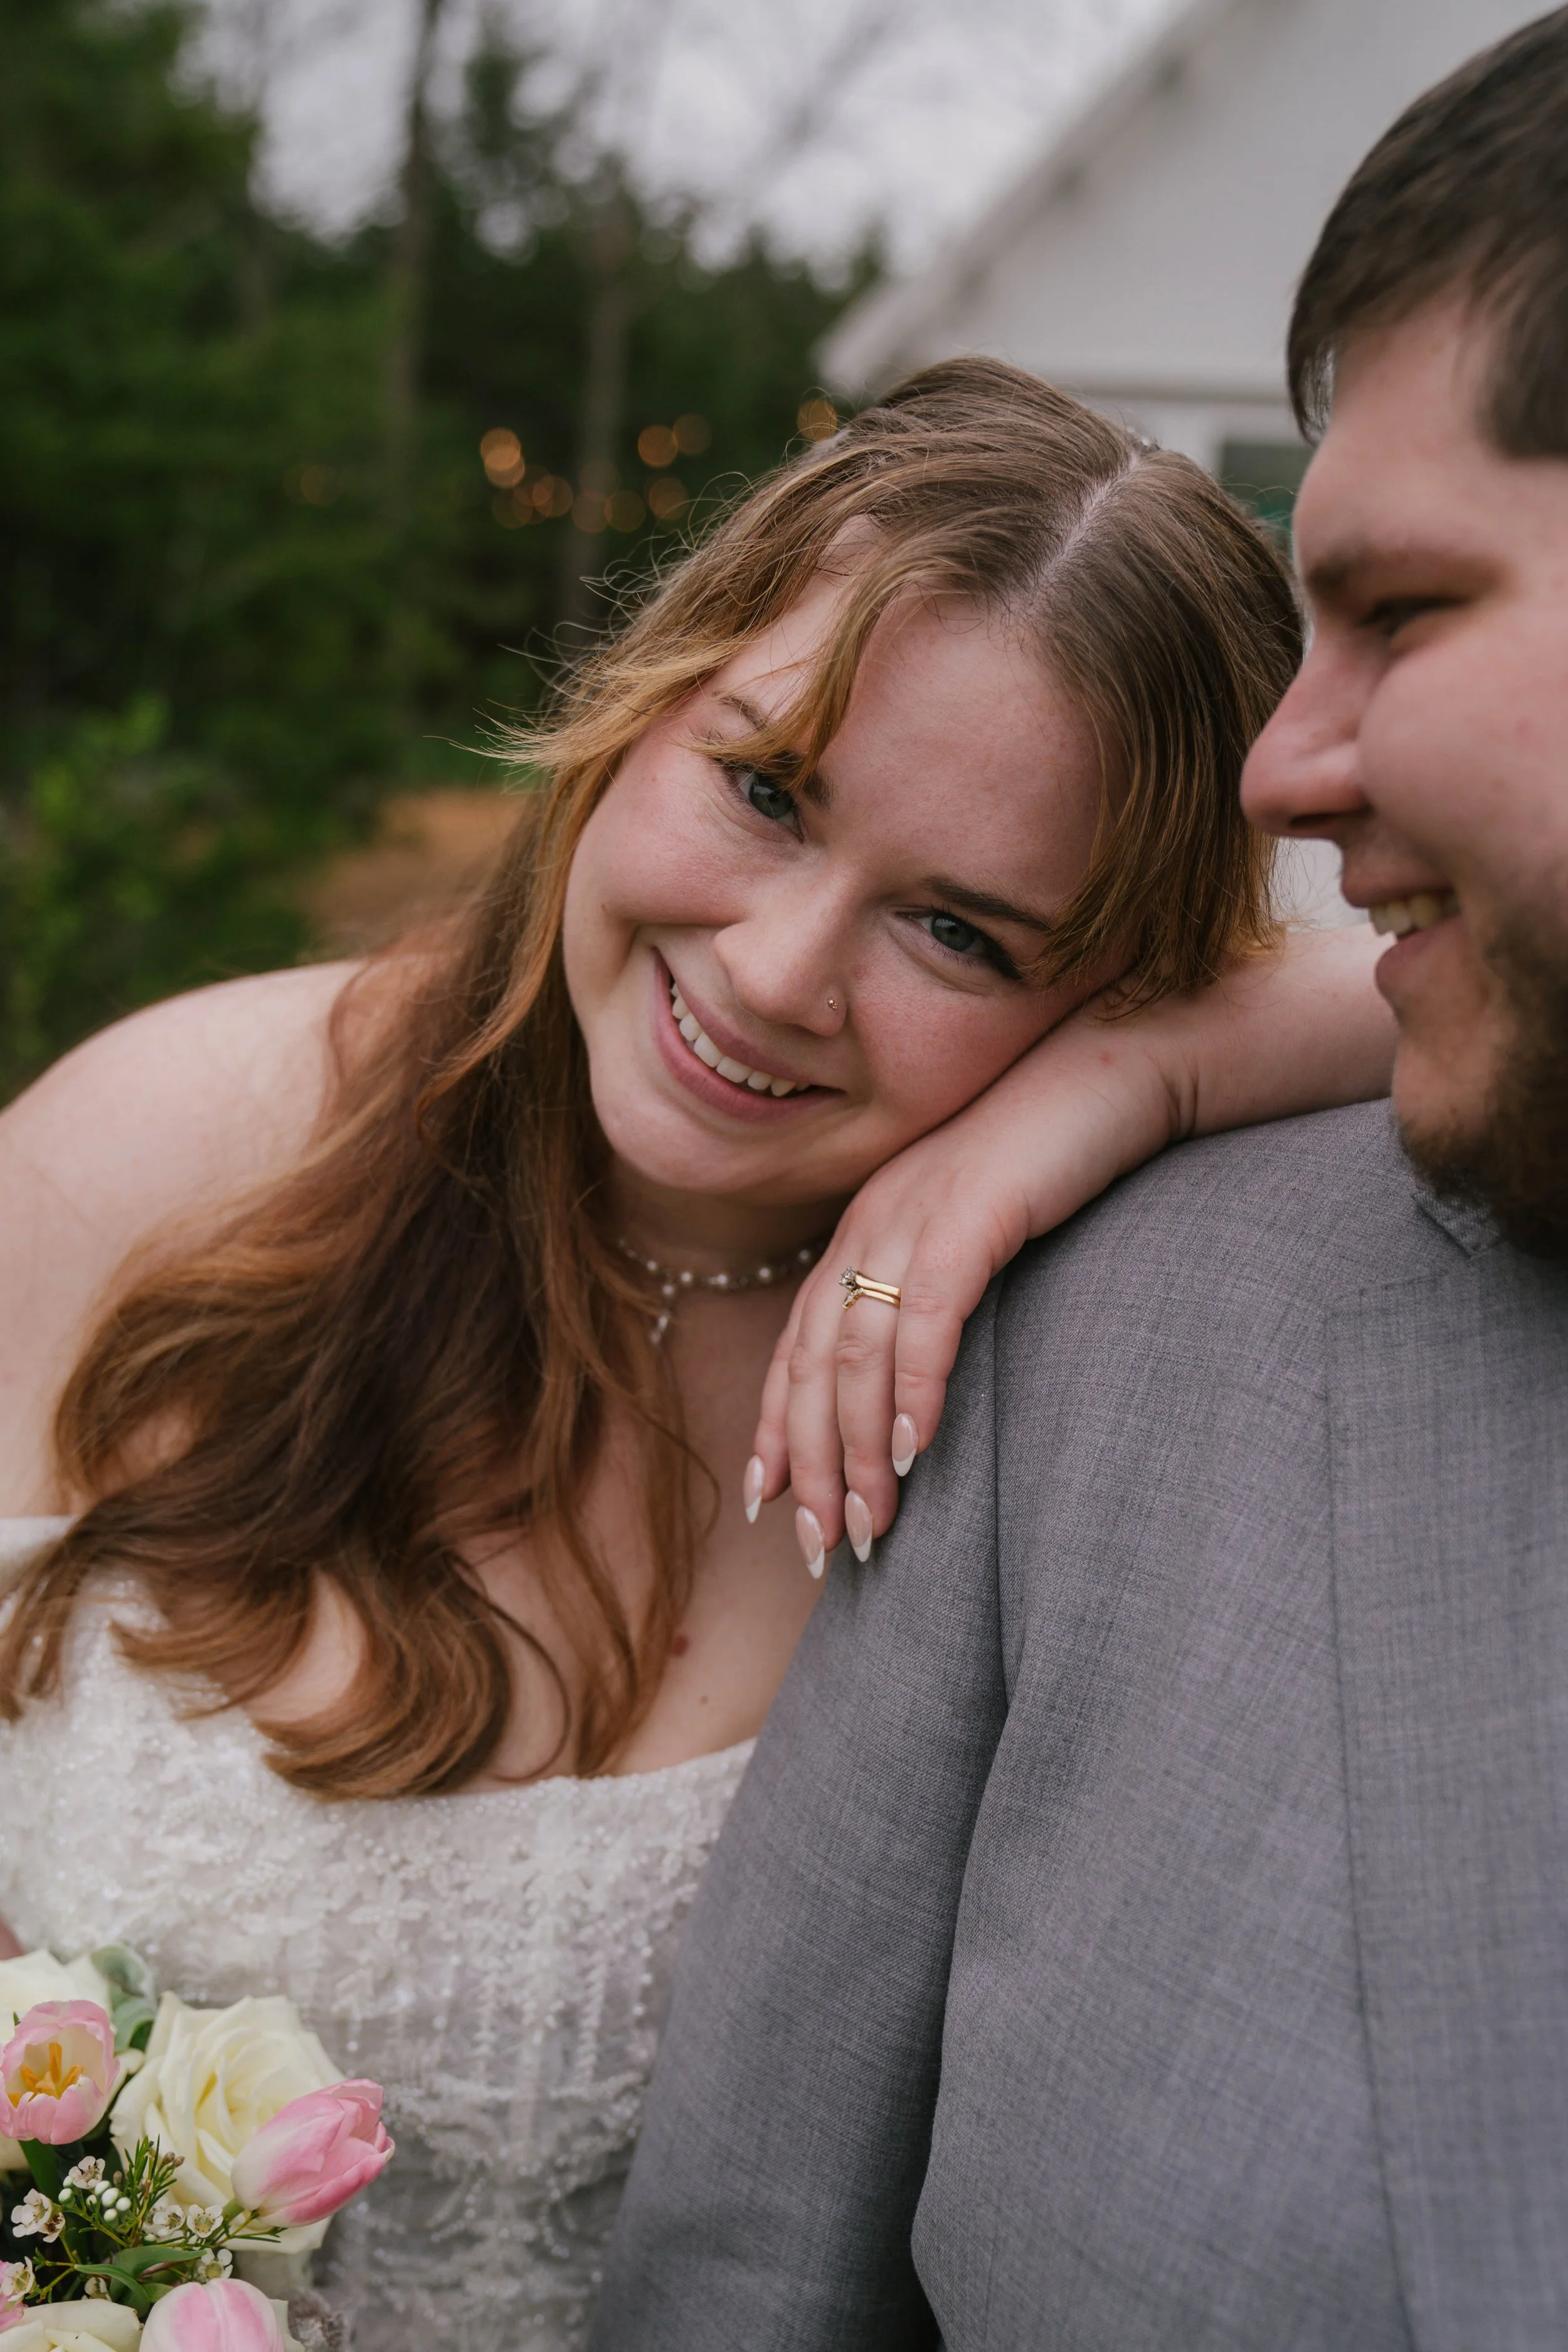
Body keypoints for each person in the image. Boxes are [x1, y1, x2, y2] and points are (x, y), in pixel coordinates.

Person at [0, 362, 1389, 2352]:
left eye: (960, 933)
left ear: (1118, 979)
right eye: (763, 790)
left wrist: (1133, 1086)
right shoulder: (155, 1152)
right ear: (648, 693)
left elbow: (1500, 982)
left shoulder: (1057, 1378)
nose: (768, 971)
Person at [588, 16, 1568, 2351]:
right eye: (762, 782)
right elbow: (740, 2275)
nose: (1285, 770)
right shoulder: (1109, 1361)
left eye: (1405, 611)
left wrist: (1129, 1068)